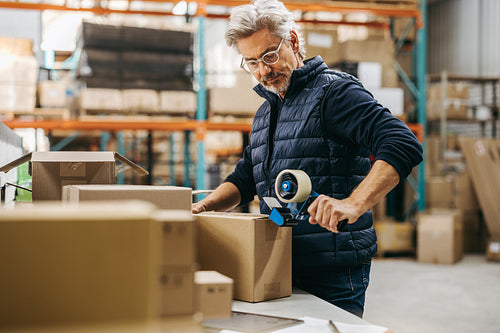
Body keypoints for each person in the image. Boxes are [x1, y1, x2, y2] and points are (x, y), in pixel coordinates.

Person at [192, 0, 423, 318]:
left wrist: (353, 204)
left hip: (332, 272)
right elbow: (246, 176)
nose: (263, 70)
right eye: (252, 62)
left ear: (294, 41)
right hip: (280, 263)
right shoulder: (266, 112)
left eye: (270, 55)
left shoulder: (335, 94)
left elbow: (401, 142)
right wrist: (205, 206)